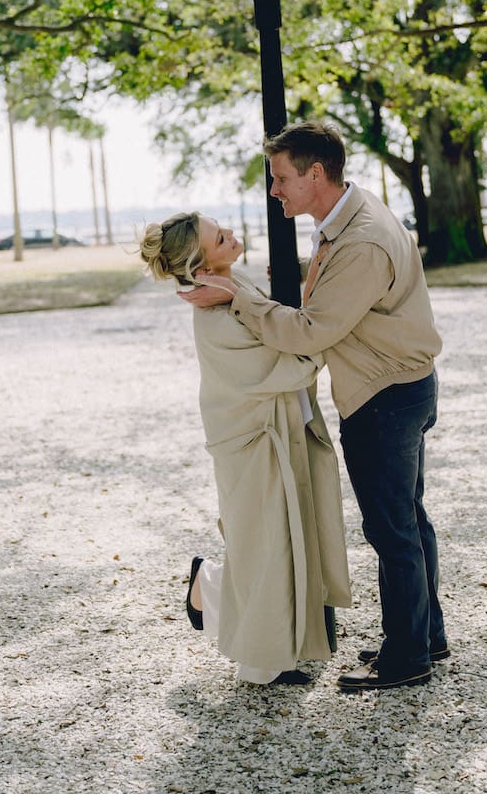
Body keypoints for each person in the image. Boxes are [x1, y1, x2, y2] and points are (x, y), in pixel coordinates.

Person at [180, 121, 448, 691]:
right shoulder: (352, 217)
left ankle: (408, 660)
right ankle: (426, 637)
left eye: (280, 178)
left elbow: (309, 334)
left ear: (315, 174)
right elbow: (342, 299)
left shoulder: (362, 240)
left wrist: (238, 297)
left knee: (392, 529)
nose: (274, 190)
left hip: (384, 397)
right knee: (409, 519)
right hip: (404, 387)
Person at [139, 211, 351, 686]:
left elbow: (283, 332)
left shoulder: (237, 287)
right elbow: (288, 361)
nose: (233, 235)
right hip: (251, 443)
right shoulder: (214, 321)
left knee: (281, 540)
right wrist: (325, 325)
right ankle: (258, 656)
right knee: (266, 545)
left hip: (275, 433)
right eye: (220, 237)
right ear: (201, 263)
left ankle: (220, 599)